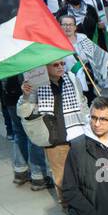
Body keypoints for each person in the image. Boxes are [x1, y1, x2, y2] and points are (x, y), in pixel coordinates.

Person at [17, 58, 89, 198]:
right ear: (45, 67)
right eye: (56, 64)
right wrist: (25, 96)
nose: (61, 67)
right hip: (55, 138)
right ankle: (66, 204)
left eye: (63, 64)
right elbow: (22, 112)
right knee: (61, 176)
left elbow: (83, 104)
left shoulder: (72, 79)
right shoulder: (35, 84)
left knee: (82, 172)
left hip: (78, 135)